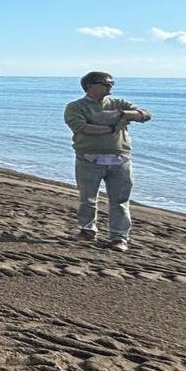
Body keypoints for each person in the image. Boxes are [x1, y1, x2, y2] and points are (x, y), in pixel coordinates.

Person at [64, 71, 150, 251]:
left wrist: (123, 113)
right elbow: (82, 128)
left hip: (120, 160)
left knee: (120, 200)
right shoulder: (75, 107)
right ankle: (87, 231)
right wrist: (112, 127)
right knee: (87, 198)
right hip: (89, 159)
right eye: (105, 84)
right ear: (90, 86)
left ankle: (119, 237)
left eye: (111, 83)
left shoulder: (118, 104)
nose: (110, 86)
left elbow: (145, 115)